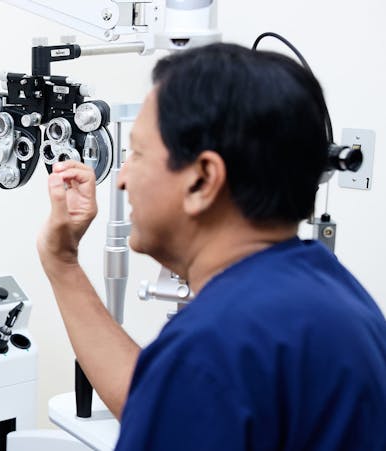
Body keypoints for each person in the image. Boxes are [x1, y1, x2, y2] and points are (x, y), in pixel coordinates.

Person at [37, 43, 386, 450]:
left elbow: (193, 389)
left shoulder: (213, 349)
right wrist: (62, 262)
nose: (121, 179)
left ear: (203, 180)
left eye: (139, 154)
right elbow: (170, 403)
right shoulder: (334, 295)